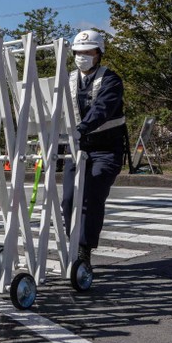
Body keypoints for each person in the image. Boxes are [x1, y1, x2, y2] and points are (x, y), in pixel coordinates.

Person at [62, 29, 126, 288]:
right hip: (75, 147)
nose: (82, 57)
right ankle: (73, 243)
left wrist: (80, 129)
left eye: (88, 52)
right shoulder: (67, 79)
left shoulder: (111, 80)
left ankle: (83, 251)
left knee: (91, 194)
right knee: (67, 199)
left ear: (99, 54)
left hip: (106, 149)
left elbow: (103, 109)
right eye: (78, 53)